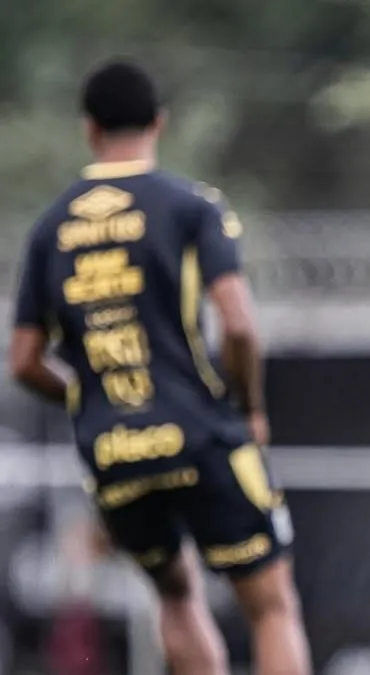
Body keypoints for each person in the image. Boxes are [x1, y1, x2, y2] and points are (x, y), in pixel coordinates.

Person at [8, 58, 312, 675]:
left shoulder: (50, 229)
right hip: (202, 434)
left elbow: (22, 361)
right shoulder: (192, 206)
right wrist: (250, 407)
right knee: (272, 605)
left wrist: (85, 397)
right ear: (160, 123)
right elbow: (239, 325)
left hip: (114, 449)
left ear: (89, 130)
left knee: (175, 596)